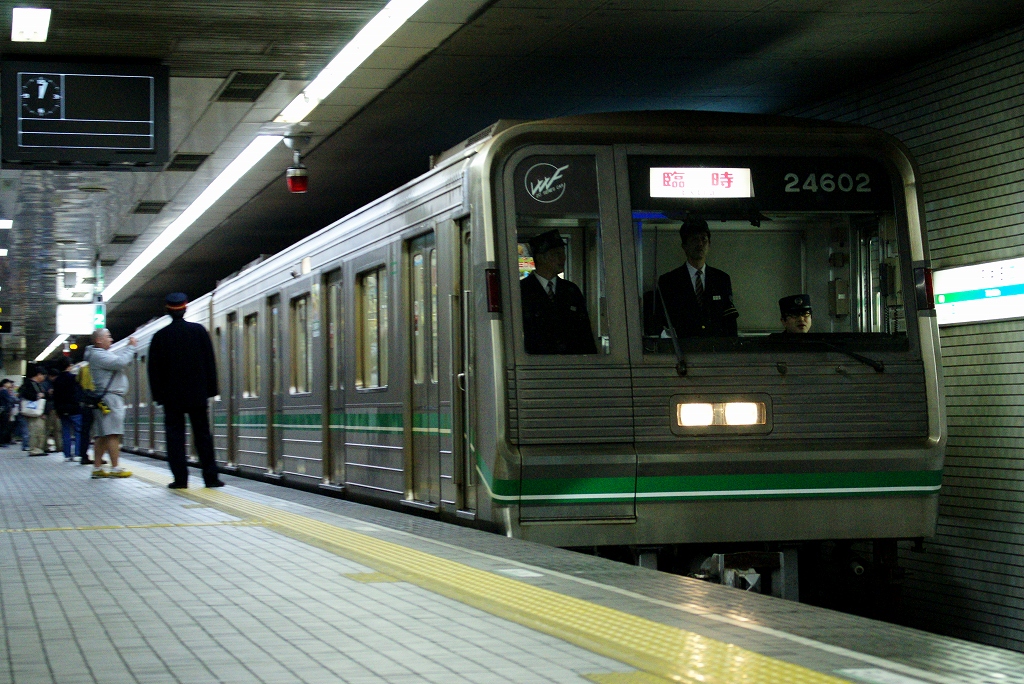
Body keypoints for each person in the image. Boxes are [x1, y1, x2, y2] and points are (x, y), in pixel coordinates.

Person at [147, 292, 223, 489]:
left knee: (175, 438)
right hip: (197, 395)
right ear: (185, 308)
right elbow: (210, 363)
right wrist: (211, 390)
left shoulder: (160, 337)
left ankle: (180, 479)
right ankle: (210, 477)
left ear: (167, 311)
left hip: (172, 398)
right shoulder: (198, 332)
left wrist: (159, 396)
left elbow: (154, 371)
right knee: (203, 436)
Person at [656, 215, 738, 337]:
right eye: (694, 239)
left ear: (709, 244)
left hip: (715, 349)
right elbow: (660, 321)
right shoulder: (669, 281)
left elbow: (729, 320)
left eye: (703, 239)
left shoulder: (721, 279)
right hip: (684, 348)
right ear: (684, 246)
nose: (700, 244)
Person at [519, 230, 597, 355]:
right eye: (556, 254)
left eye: (563, 253)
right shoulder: (522, 291)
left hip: (570, 367)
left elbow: (585, 334)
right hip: (536, 367)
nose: (562, 258)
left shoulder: (571, 290)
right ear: (540, 257)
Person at [84, 328, 136, 478]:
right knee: (113, 434)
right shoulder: (98, 355)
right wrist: (131, 346)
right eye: (108, 336)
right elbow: (120, 362)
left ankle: (97, 468)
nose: (111, 339)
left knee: (102, 435)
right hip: (111, 398)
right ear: (99, 340)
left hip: (106, 399)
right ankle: (115, 468)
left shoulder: (98, 355)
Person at [52, 357, 84, 462]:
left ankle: (67, 454)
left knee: (65, 432)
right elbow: (78, 394)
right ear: (69, 366)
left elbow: (55, 397)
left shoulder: (56, 380)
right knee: (78, 431)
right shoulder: (74, 378)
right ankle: (78, 453)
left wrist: (57, 410)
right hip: (74, 409)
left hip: (61, 409)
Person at [18, 366, 47, 456]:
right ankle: (34, 449)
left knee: (40, 431)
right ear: (38, 375)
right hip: (32, 412)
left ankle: (38, 449)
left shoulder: (38, 385)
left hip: (38, 412)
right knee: (35, 431)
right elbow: (23, 394)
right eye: (43, 376)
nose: (44, 378)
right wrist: (37, 396)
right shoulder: (29, 384)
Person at [43, 366, 63, 453]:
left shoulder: (51, 383)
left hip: (55, 408)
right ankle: (45, 447)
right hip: (50, 409)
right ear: (51, 376)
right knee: (49, 429)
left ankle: (59, 447)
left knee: (57, 429)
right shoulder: (46, 384)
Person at [0, 379, 16, 445]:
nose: (10, 384)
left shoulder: (3, 391)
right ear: (4, 384)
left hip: (3, 410)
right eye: (8, 383)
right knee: (4, 426)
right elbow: (9, 400)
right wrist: (14, 399)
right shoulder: (4, 391)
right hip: (5, 410)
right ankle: (2, 441)